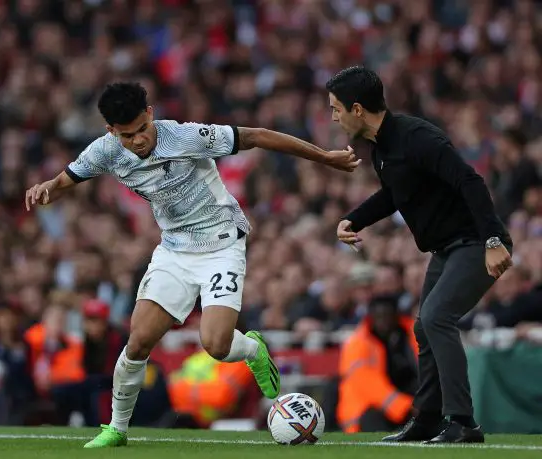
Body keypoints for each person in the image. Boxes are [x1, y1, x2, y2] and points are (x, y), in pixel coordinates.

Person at [25, 82, 360, 447]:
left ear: (150, 113)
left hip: (221, 245)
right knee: (137, 343)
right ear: (111, 132)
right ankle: (117, 430)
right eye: (127, 135)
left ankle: (252, 350)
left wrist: (326, 158)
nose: (138, 140)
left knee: (216, 345)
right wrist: (47, 188)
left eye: (142, 129)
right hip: (174, 252)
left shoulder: (187, 136)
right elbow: (67, 178)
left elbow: (258, 135)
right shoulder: (104, 152)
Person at [328, 66, 513, 443]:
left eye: (336, 108)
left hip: (476, 242)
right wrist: (354, 219)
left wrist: (494, 242)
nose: (334, 116)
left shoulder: (417, 137)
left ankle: (463, 422)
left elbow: (470, 181)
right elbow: (396, 194)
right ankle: (427, 419)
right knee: (423, 327)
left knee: (436, 317)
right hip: (446, 248)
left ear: (358, 109)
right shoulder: (383, 147)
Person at [337, 295, 418, 433]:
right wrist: (406, 406)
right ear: (371, 318)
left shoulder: (412, 335)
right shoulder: (358, 343)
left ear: (396, 317)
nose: (383, 321)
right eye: (379, 316)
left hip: (406, 403)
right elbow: (368, 384)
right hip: (368, 410)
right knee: (374, 420)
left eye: (387, 316)